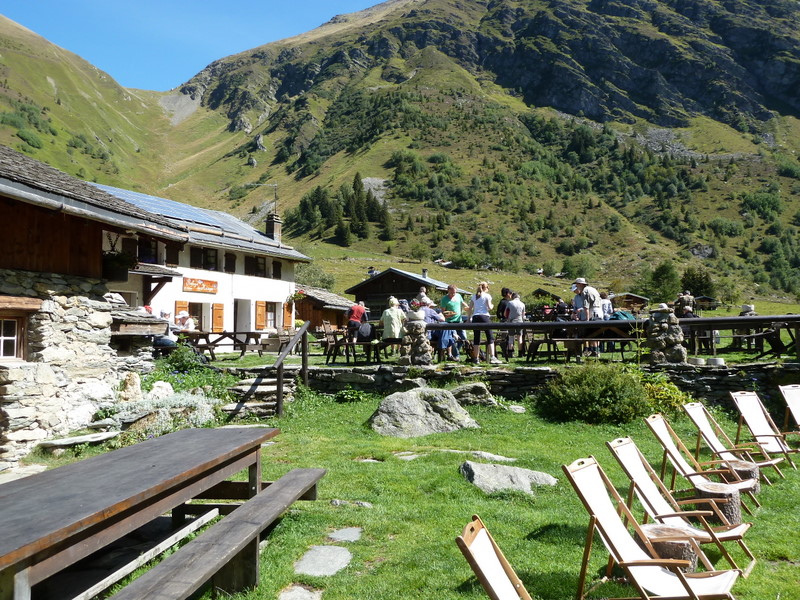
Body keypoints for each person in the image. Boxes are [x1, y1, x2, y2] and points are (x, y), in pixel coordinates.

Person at [469, 281, 501, 364]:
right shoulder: (487, 296)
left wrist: (469, 319)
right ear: (485, 288)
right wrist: (493, 305)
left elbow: (470, 308)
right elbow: (490, 307)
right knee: (490, 337)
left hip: (475, 317)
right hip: (484, 316)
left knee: (476, 338)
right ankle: (493, 357)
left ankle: (476, 359)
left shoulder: (474, 296)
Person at [573, 277, 602, 357]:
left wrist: (587, 320)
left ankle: (594, 352)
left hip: (593, 312)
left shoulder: (584, 291)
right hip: (599, 312)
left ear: (580, 284)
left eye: (577, 284)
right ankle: (596, 351)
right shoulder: (592, 289)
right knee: (596, 333)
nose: (576, 286)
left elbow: (586, 306)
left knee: (590, 333)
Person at [439, 284, 469, 360]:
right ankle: (456, 355)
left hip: (459, 321)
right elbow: (443, 312)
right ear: (448, 291)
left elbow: (463, 303)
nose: (453, 294)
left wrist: (467, 307)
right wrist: (447, 315)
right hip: (450, 322)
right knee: (453, 339)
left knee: (463, 338)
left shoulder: (458, 296)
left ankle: (456, 352)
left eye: (454, 292)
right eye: (451, 293)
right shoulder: (444, 299)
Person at [504, 292, 526, 357]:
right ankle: (520, 353)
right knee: (520, 337)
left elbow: (505, 313)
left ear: (513, 297)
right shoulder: (522, 304)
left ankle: (510, 353)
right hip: (519, 321)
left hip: (511, 322)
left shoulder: (510, 303)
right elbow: (523, 315)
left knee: (511, 337)